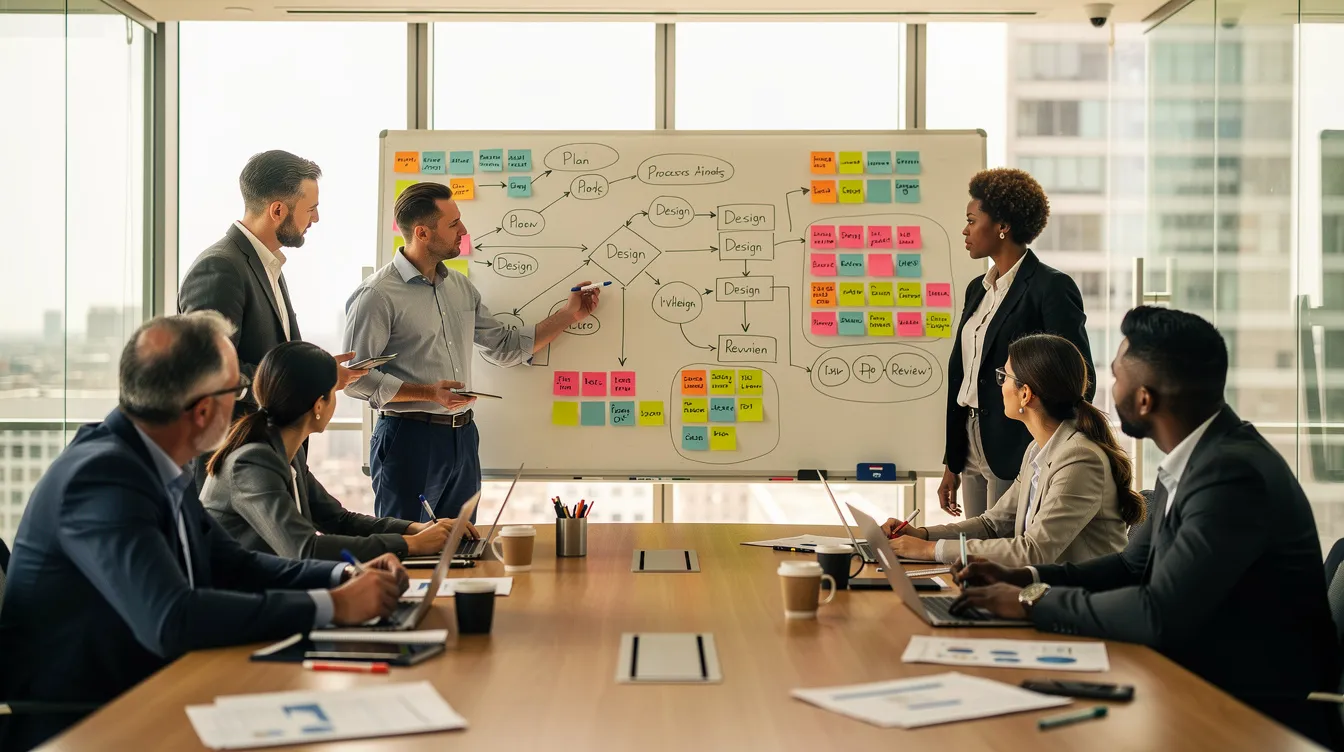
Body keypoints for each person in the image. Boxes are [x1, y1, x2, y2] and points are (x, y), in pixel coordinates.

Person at [0, 312, 407, 751]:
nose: (246, 404)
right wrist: (333, 607)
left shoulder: (150, 462)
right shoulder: (102, 478)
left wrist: (343, 578)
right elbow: (172, 619)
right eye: (237, 391)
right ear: (202, 411)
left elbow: (235, 564)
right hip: (91, 724)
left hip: (157, 692)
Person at [950, 306, 1341, 748]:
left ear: (1144, 400)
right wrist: (1025, 576)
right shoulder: (1193, 459)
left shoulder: (1232, 475)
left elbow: (1158, 613)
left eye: (1117, 377)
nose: (1106, 390)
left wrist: (1028, 603)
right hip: (1195, 677)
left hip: (1247, 712)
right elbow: (1131, 567)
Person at [343, 181, 600, 521]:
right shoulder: (377, 295)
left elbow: (505, 347)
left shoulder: (460, 287)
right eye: (453, 224)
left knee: (461, 550)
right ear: (422, 233)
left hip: (462, 438)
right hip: (408, 438)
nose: (463, 230)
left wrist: (569, 315)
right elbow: (353, 380)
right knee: (407, 548)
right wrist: (428, 393)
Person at [178, 150, 368, 489]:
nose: (317, 219)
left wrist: (315, 369)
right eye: (311, 209)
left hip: (264, 462)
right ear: (278, 210)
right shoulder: (220, 268)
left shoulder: (268, 267)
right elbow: (206, 375)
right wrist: (310, 380)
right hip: (231, 472)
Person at [201, 341, 479, 562]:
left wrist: (415, 529)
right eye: (334, 392)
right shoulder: (252, 463)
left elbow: (338, 520)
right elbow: (304, 549)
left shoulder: (286, 453)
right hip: (241, 607)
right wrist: (410, 545)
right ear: (318, 405)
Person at [884, 334, 1138, 567]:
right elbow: (993, 525)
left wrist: (931, 550)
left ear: (1025, 394)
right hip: (1045, 593)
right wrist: (922, 535)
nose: (1000, 386)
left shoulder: (1079, 459)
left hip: (1080, 603)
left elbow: (1034, 551)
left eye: (1004, 377)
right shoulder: (1037, 451)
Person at [942, 168, 1095, 520]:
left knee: (1005, 550)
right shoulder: (977, 289)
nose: (965, 230)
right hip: (969, 436)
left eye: (971, 220)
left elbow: (1079, 377)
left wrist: (1049, 445)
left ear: (1002, 226)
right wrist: (952, 459)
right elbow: (964, 376)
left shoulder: (1050, 287)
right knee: (973, 545)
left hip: (1019, 438)